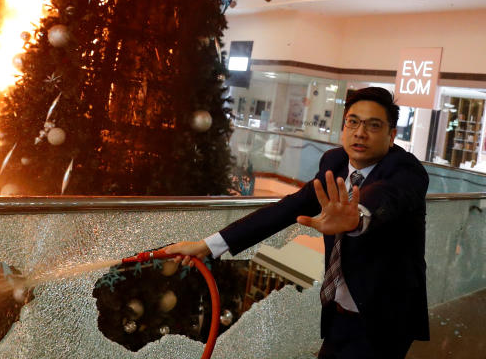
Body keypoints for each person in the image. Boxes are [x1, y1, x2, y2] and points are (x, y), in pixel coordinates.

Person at [165, 86, 430, 358]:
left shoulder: (407, 171)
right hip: (339, 313)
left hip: (386, 318)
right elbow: (288, 208)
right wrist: (208, 245)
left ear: (392, 135)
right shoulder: (335, 161)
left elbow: (388, 198)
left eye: (373, 125)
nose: (360, 133)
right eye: (353, 121)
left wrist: (357, 217)